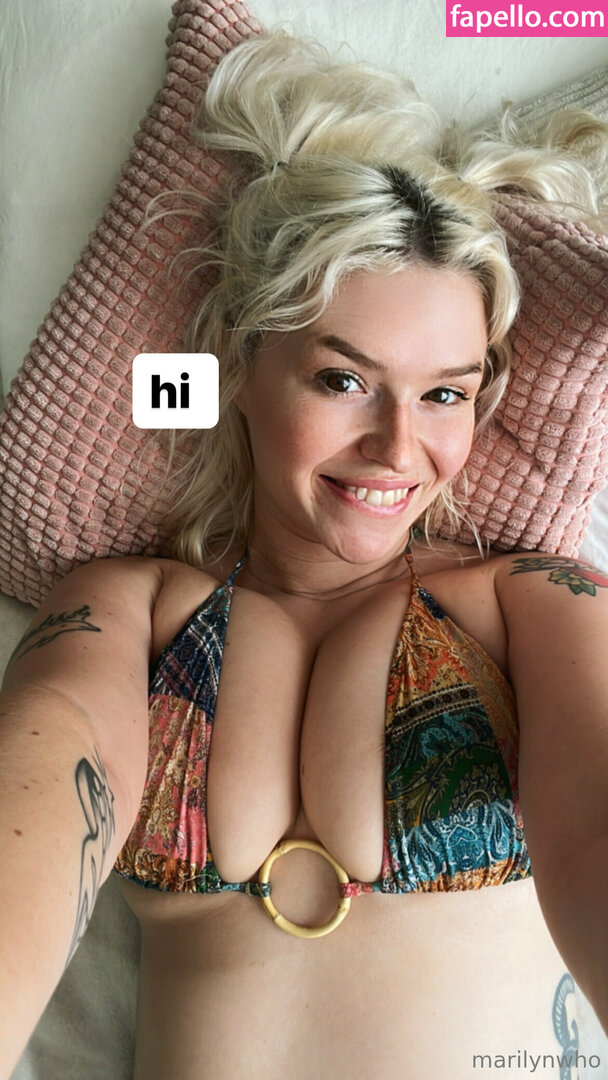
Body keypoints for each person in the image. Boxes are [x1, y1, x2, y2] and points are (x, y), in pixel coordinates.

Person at [2, 30, 608, 1080]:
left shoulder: (535, 603)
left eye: (445, 394)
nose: (398, 448)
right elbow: (46, 763)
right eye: (343, 381)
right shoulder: (126, 605)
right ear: (240, 367)